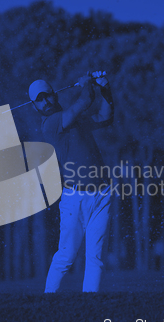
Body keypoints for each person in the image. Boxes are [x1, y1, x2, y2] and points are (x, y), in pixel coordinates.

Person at [28, 71, 114, 292]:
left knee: (95, 257)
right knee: (66, 256)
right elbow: (85, 101)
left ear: (54, 95)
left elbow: (105, 117)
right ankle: (48, 302)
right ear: (34, 106)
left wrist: (105, 89)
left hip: (102, 193)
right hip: (75, 197)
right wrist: (86, 85)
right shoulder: (51, 124)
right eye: (39, 100)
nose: (45, 102)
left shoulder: (73, 119)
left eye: (47, 95)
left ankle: (90, 305)